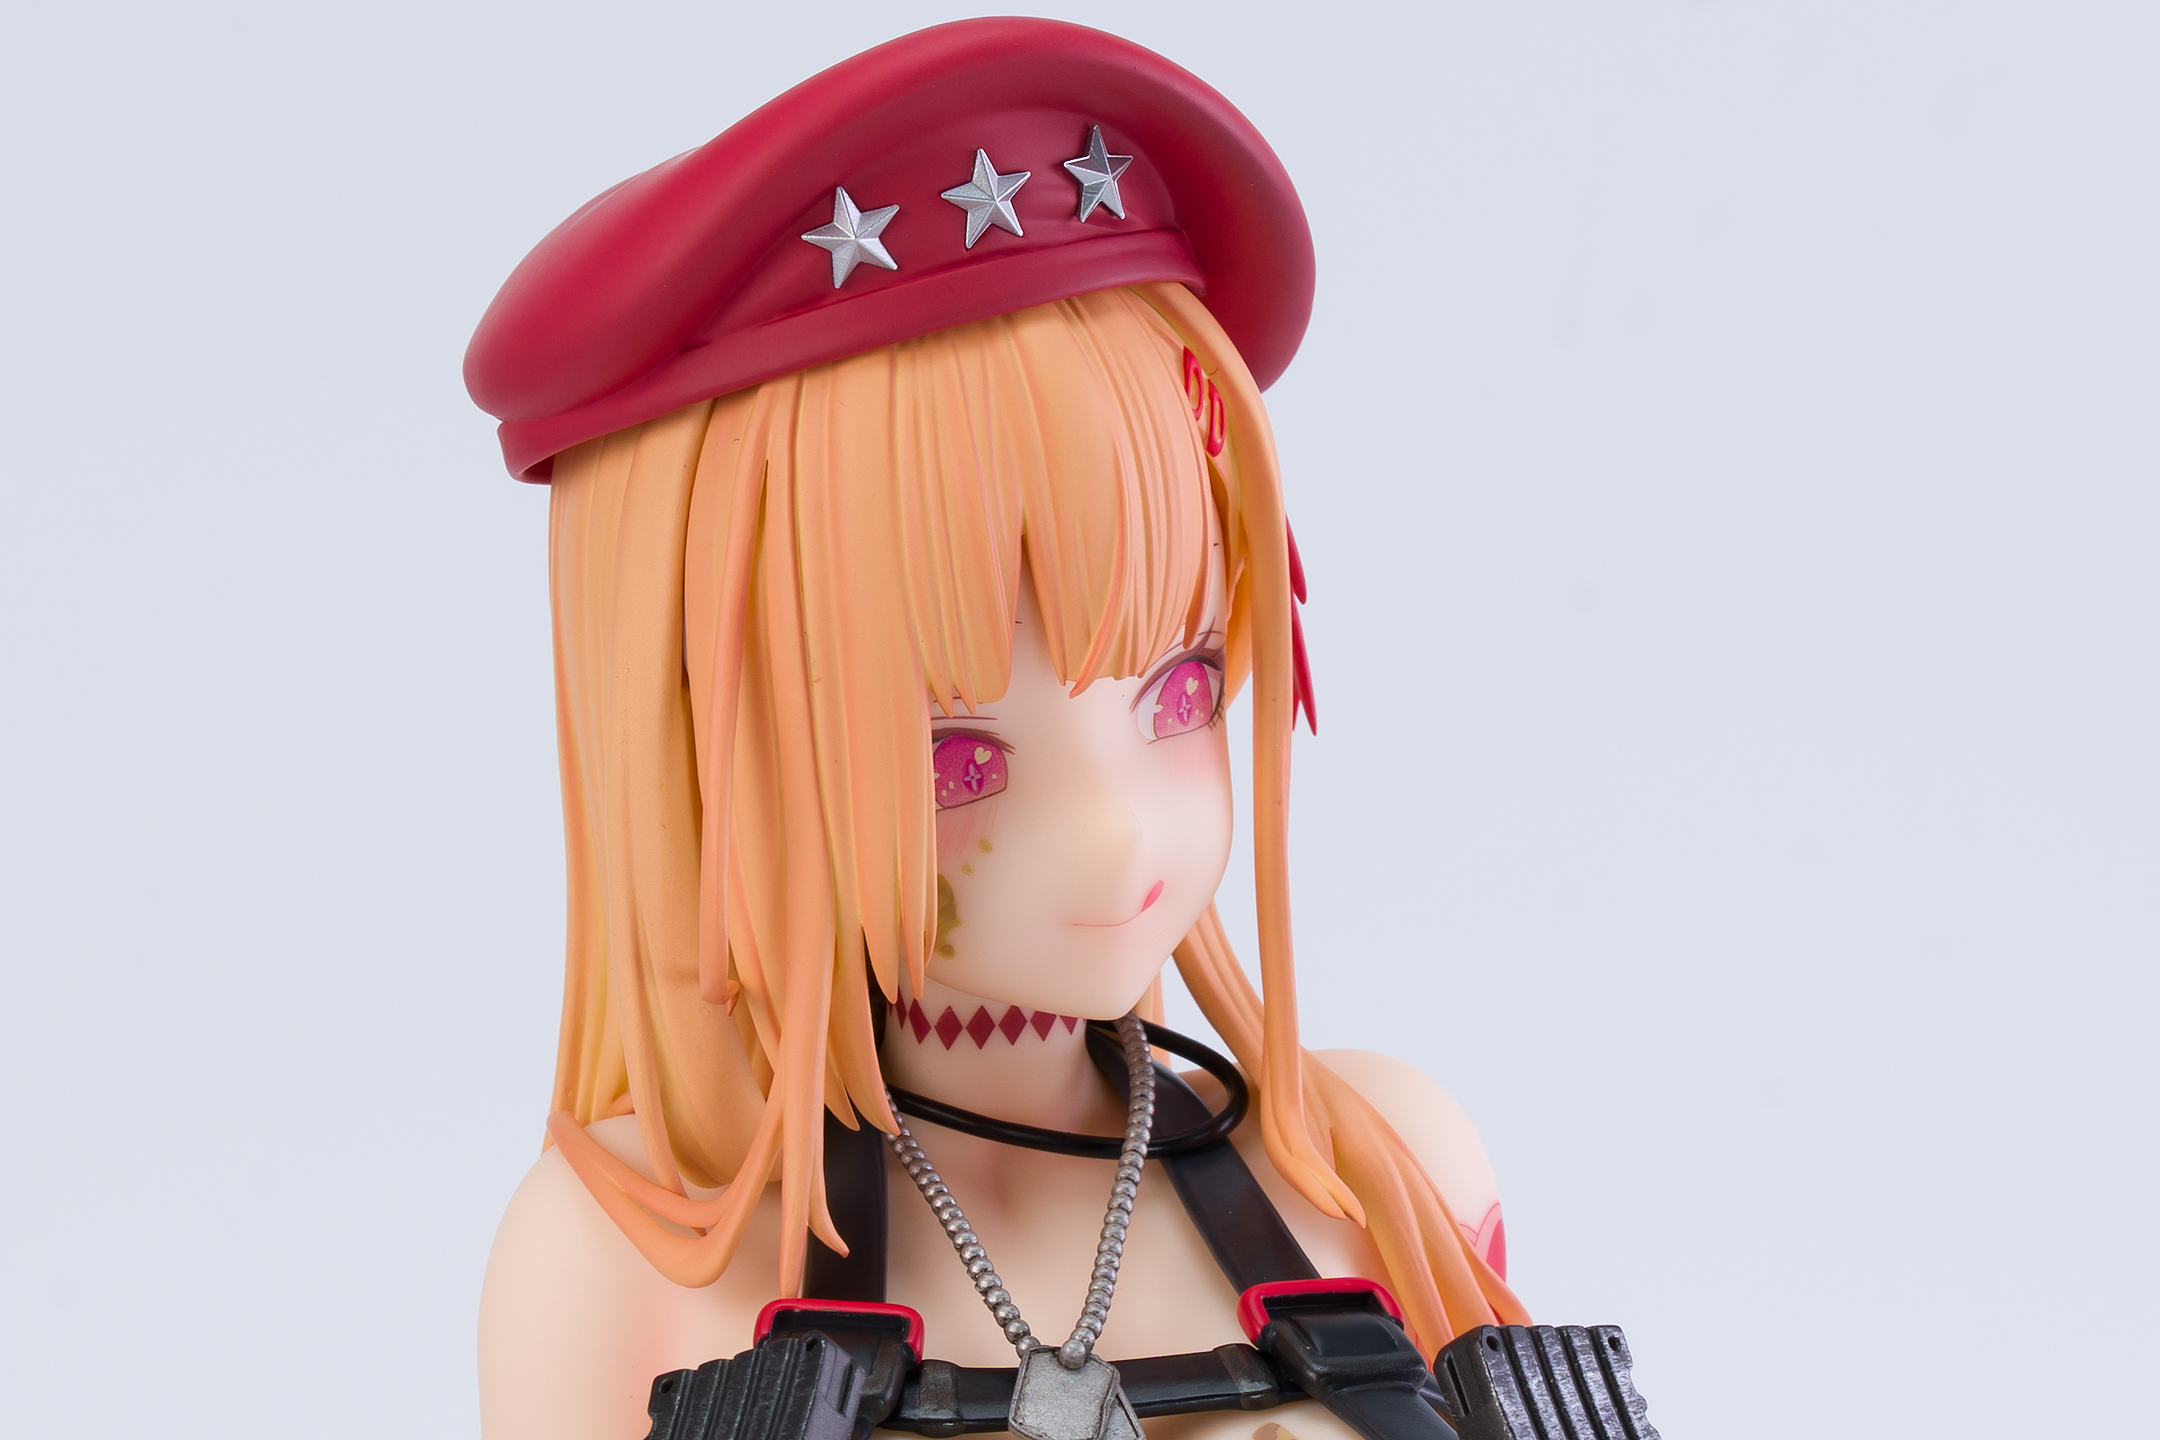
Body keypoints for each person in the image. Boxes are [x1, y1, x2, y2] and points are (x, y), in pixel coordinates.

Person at [463, 20, 1525, 1440]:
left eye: (1179, 693)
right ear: (712, 748)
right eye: (960, 761)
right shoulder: (616, 1269)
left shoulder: (1386, 1173)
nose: (1112, 833)